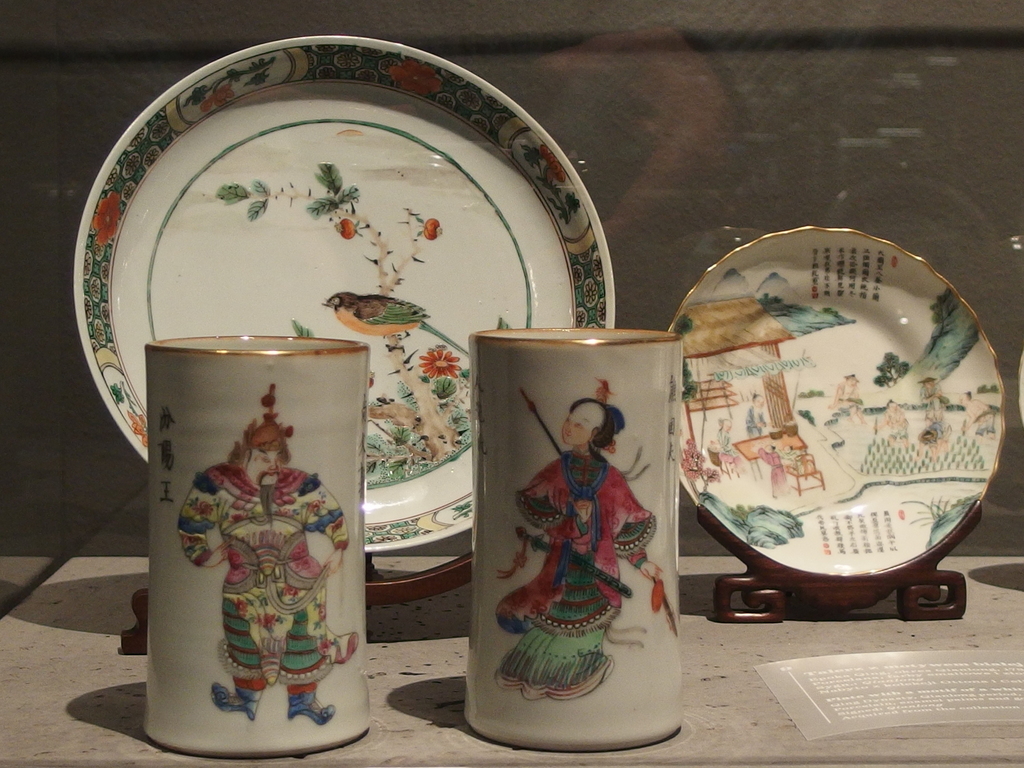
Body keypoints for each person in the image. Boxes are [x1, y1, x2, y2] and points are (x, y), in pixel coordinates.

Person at [177, 385, 358, 724]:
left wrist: (338, 548)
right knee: (243, 644)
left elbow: (331, 514)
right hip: (244, 582)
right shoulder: (217, 485)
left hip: (299, 581)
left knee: (303, 644)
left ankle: (303, 702)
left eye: (277, 458)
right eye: (264, 458)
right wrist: (203, 555)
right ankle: (245, 701)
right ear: (244, 455)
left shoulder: (298, 484)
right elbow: (191, 523)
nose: (273, 466)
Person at [495, 394, 663, 700]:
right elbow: (534, 501)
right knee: (551, 621)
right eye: (569, 420)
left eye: (579, 424)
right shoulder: (556, 470)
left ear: (594, 433)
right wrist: (572, 514)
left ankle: (579, 677)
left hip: (597, 571)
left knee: (586, 625)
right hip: (560, 566)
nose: (568, 427)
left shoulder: (610, 477)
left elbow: (628, 520)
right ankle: (530, 679)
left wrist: (642, 562)